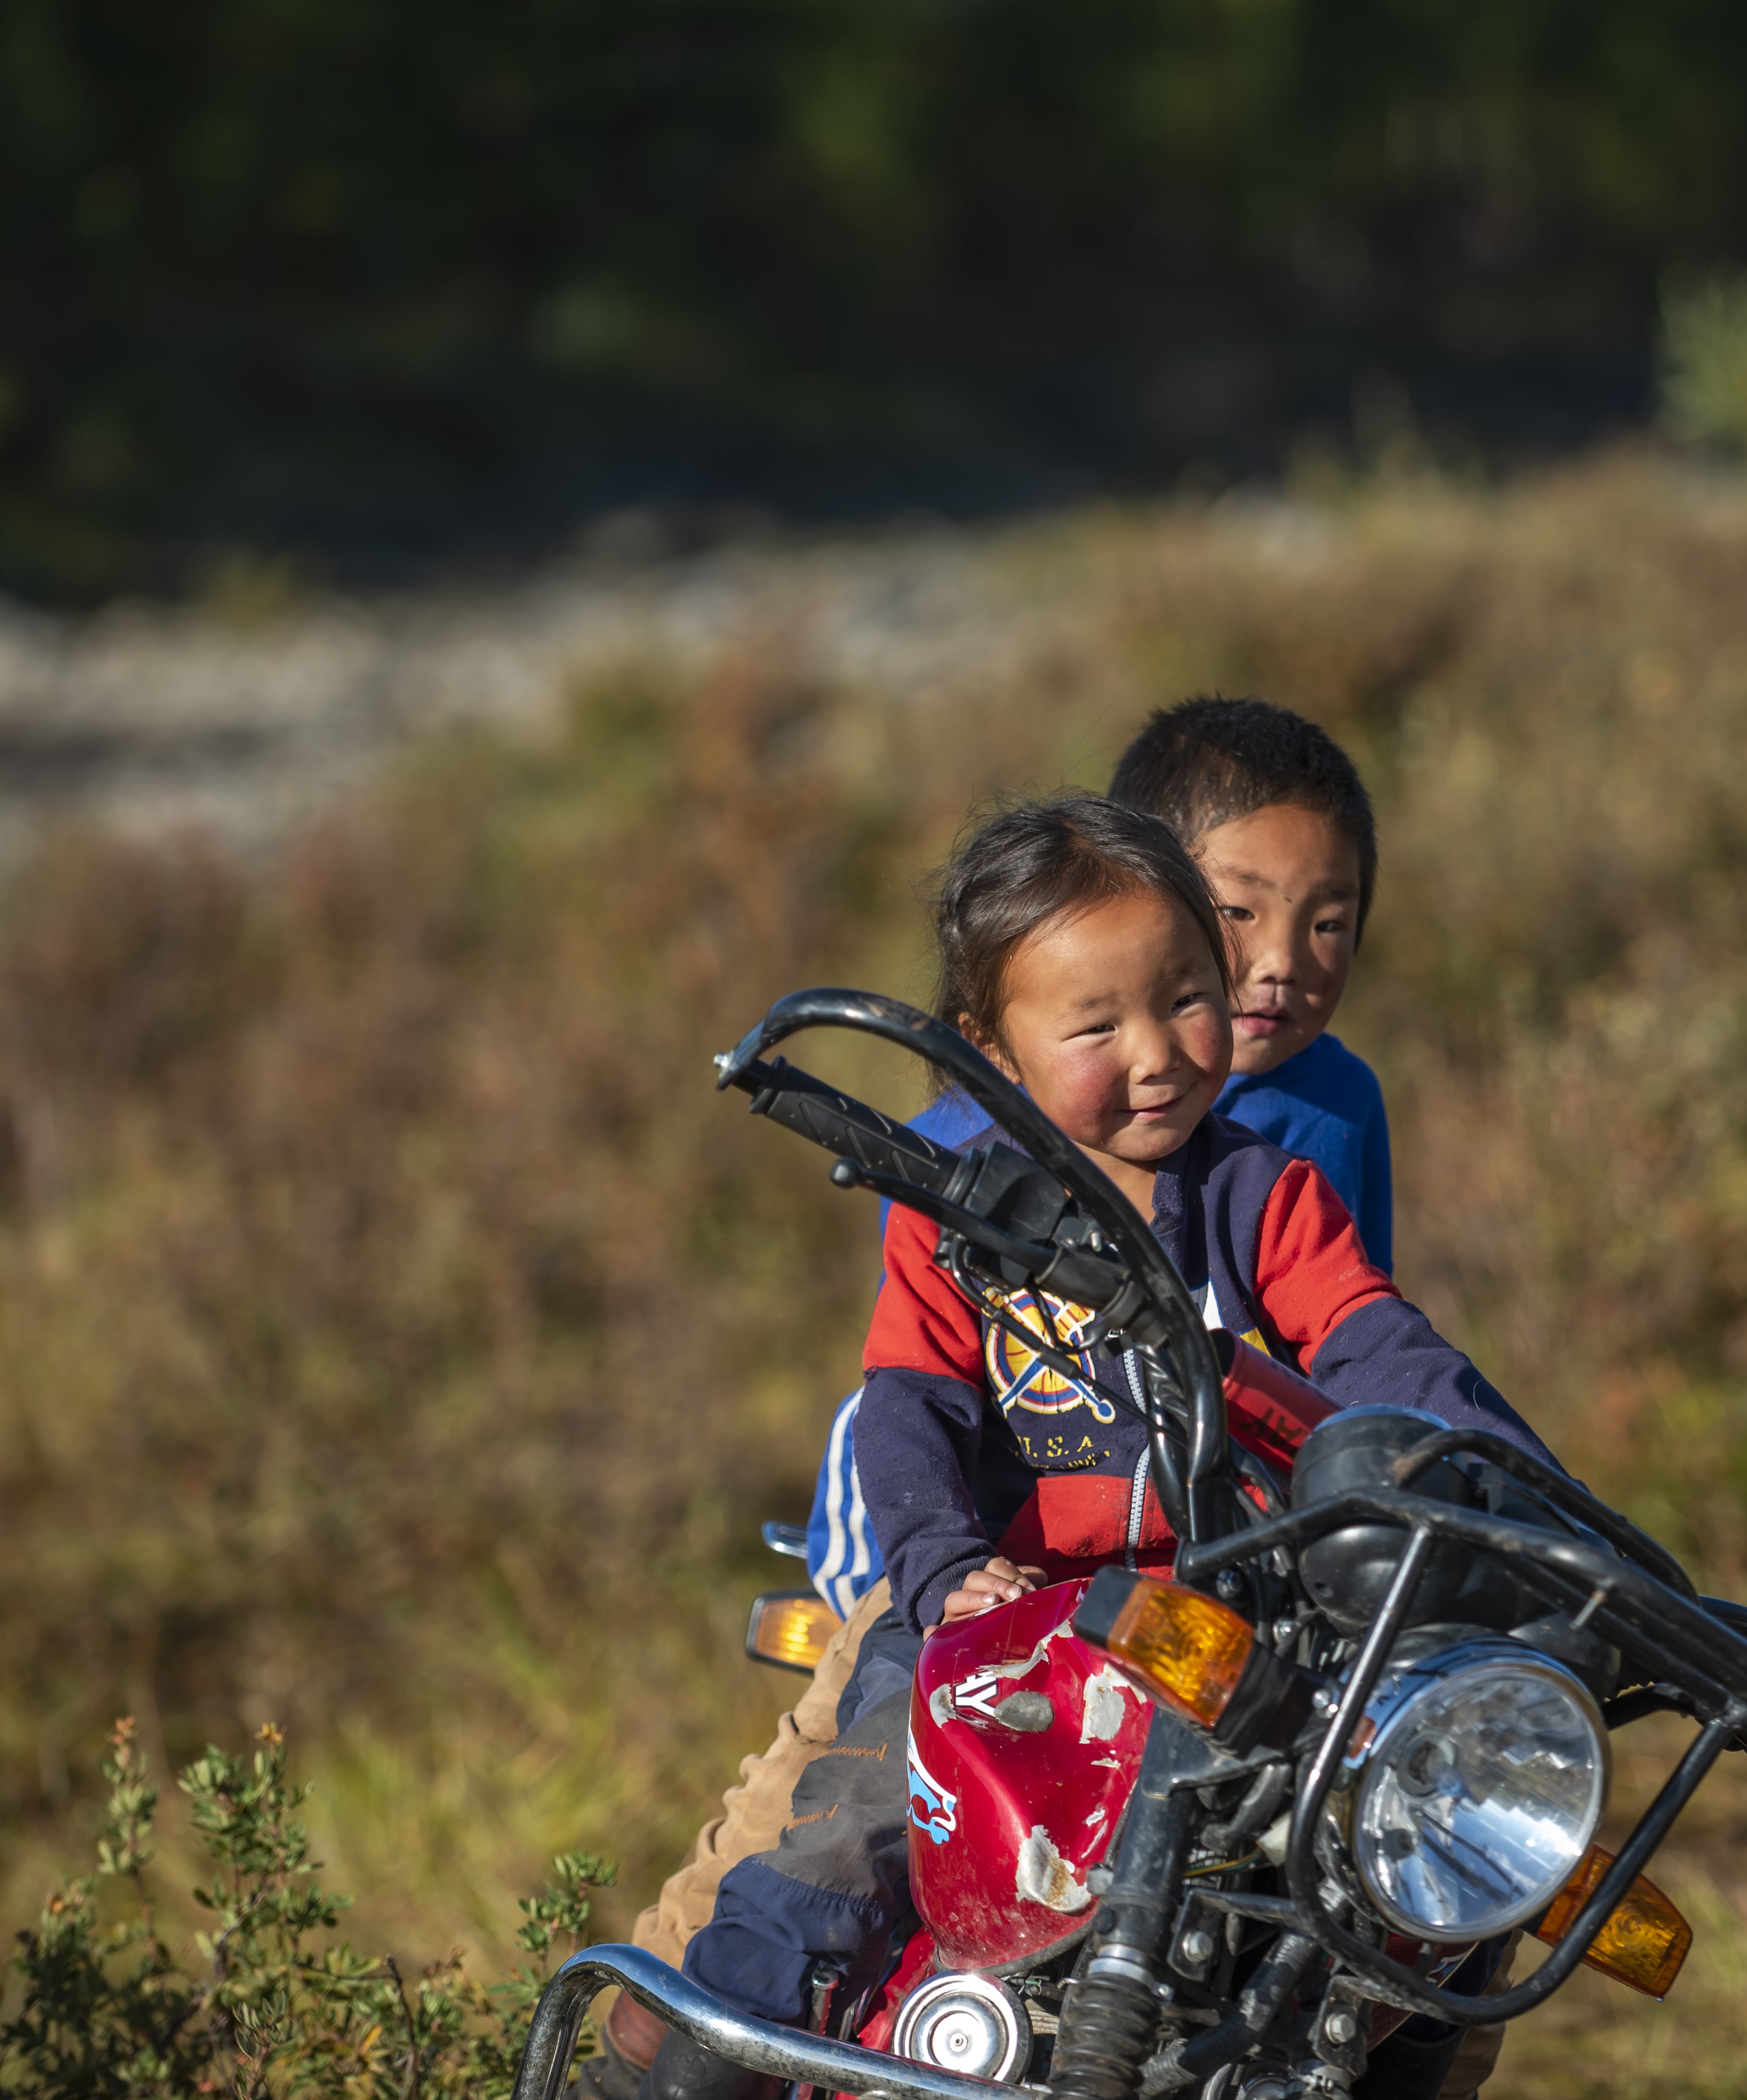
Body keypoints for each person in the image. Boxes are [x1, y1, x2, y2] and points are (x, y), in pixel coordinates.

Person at [645, 795, 1553, 2100]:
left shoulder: (1265, 1195)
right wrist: (942, 1567)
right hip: (1000, 1616)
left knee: (1427, 1894)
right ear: (990, 1053)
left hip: (1221, 1625)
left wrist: (1517, 1487)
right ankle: (694, 2063)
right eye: (1095, 1025)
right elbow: (909, 1409)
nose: (1159, 1053)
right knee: (839, 1853)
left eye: (1186, 999)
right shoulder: (953, 1220)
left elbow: (1378, 1347)